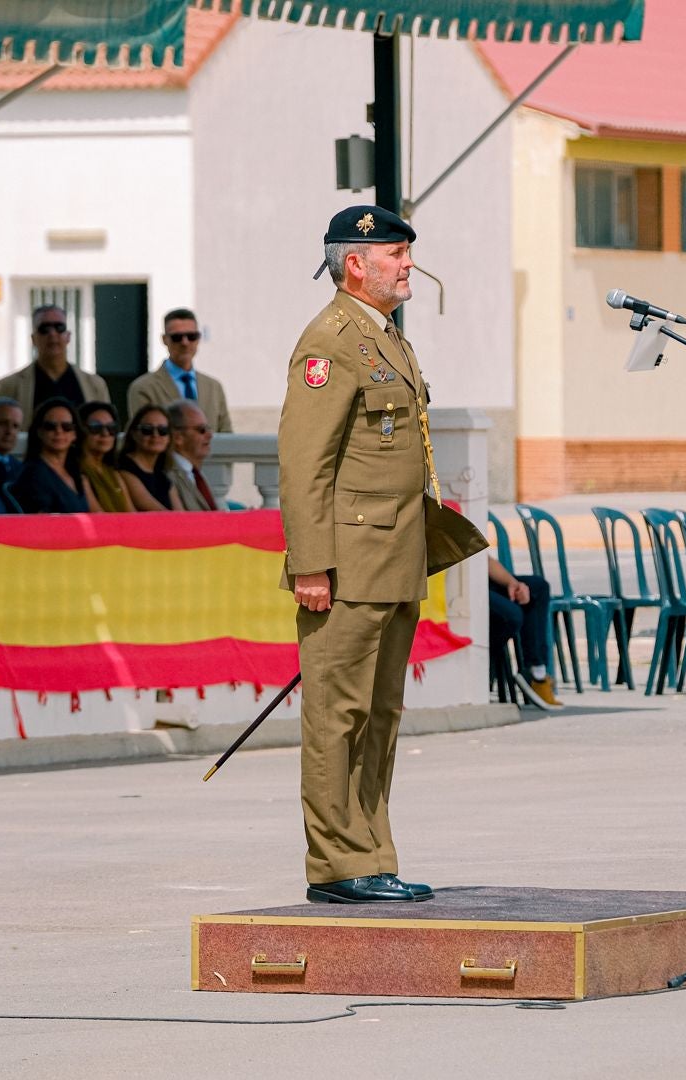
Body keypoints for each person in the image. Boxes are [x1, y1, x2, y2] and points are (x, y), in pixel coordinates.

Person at [278, 204, 438, 905]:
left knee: (379, 714)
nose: (408, 266)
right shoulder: (330, 341)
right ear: (356, 265)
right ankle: (338, 864)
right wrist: (311, 564)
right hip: (345, 563)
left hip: (393, 558)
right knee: (336, 715)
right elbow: (303, 462)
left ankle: (373, 852)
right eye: (396, 255)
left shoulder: (387, 339)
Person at [125, 308, 233, 434]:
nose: (185, 342)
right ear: (164, 339)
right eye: (177, 337)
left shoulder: (213, 387)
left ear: (198, 339)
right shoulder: (144, 388)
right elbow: (145, 437)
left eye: (191, 336)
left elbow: (226, 435)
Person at [0, 305, 110, 419]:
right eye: (44, 329)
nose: (52, 334)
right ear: (33, 339)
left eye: (59, 328)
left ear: (68, 336)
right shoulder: (10, 386)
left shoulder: (95, 386)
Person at [486, 556, 564, 708]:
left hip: (482, 580)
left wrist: (513, 583)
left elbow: (484, 560)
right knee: (512, 615)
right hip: (463, 586)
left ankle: (536, 674)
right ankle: (485, 665)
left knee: (538, 587)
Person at [10, 397, 91, 513]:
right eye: (50, 426)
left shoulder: (75, 472)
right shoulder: (33, 474)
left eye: (66, 427)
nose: (59, 431)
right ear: (39, 432)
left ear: (75, 434)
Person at [115, 403, 184, 511]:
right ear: (134, 434)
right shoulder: (123, 468)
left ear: (169, 437)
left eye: (162, 431)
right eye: (147, 430)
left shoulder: (162, 475)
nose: (155, 435)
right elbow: (153, 510)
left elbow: (180, 514)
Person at [78, 401, 138, 512]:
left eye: (111, 428)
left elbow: (132, 515)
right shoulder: (77, 473)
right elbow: (98, 517)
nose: (105, 433)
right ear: (80, 430)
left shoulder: (114, 473)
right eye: (95, 427)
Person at [165, 400, 220, 511]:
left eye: (208, 428)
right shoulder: (167, 476)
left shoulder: (194, 473)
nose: (209, 435)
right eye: (201, 430)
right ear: (177, 437)